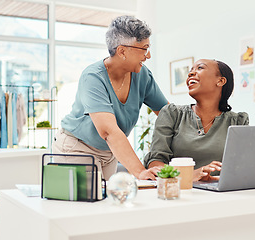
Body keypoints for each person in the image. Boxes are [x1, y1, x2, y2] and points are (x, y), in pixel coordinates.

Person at [53, 16, 168, 180]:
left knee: (107, 203)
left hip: (109, 152)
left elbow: (166, 113)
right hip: (78, 148)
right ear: (122, 51)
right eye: (144, 48)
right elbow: (108, 131)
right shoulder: (93, 77)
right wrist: (140, 171)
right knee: (88, 204)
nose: (148, 55)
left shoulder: (142, 75)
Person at [144, 59, 249, 182]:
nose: (191, 74)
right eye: (190, 71)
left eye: (200, 68)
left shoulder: (238, 121)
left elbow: (242, 166)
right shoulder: (172, 114)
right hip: (180, 191)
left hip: (222, 192)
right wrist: (189, 176)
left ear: (220, 81)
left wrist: (213, 179)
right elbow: (156, 164)